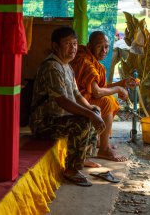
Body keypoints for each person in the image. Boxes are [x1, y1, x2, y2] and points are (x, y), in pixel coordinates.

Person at [29, 26, 106, 187]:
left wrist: (92, 111)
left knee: (95, 110)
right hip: (44, 123)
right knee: (84, 121)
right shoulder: (52, 67)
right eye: (68, 44)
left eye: (75, 44)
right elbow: (62, 101)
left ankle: (83, 158)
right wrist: (90, 115)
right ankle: (72, 169)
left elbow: (77, 95)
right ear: (56, 47)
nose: (73, 48)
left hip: (61, 118)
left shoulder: (66, 66)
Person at [70, 31, 139, 162]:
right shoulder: (86, 62)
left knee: (109, 99)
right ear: (90, 46)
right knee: (107, 101)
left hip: (82, 97)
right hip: (75, 101)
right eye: (99, 46)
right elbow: (97, 92)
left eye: (106, 47)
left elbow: (98, 88)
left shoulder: (91, 59)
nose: (104, 51)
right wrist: (118, 88)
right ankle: (104, 149)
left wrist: (122, 83)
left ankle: (101, 141)